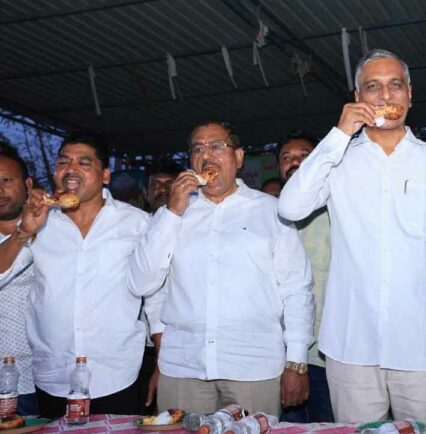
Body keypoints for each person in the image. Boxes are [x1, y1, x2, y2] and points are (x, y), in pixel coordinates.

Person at [278, 49, 426, 424]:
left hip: (424, 347)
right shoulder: (338, 160)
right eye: (373, 87)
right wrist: (338, 134)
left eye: (395, 86)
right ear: (357, 99)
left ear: (410, 95)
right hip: (351, 347)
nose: (386, 96)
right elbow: (290, 207)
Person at [142, 121, 313, 416]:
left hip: (253, 368)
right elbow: (143, 284)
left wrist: (296, 362)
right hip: (183, 367)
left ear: (238, 157)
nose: (206, 155)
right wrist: (172, 212)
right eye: (198, 149)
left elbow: (296, 289)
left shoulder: (272, 211)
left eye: (217, 146)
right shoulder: (169, 214)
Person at [0, 135, 168, 418]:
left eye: (83, 162)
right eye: (63, 161)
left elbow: (156, 299)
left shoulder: (137, 223)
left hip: (117, 376)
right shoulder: (40, 222)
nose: (70, 169)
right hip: (53, 378)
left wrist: (162, 364)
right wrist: (24, 231)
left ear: (104, 175)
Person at [277, 134, 334, 422]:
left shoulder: (339, 212)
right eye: (286, 157)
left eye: (303, 155)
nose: (294, 162)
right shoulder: (268, 216)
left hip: (327, 356)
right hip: (279, 356)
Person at [138, 160, 184, 414]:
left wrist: (162, 359)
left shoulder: (189, 228)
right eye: (155, 185)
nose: (163, 191)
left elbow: (157, 296)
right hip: (135, 349)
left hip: (172, 346)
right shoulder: (132, 226)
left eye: (171, 185)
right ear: (145, 193)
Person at [0, 150, 36, 415]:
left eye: (6, 181)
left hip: (44, 379)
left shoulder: (57, 229)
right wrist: (24, 233)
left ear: (28, 185)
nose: (0, 191)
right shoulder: (31, 231)